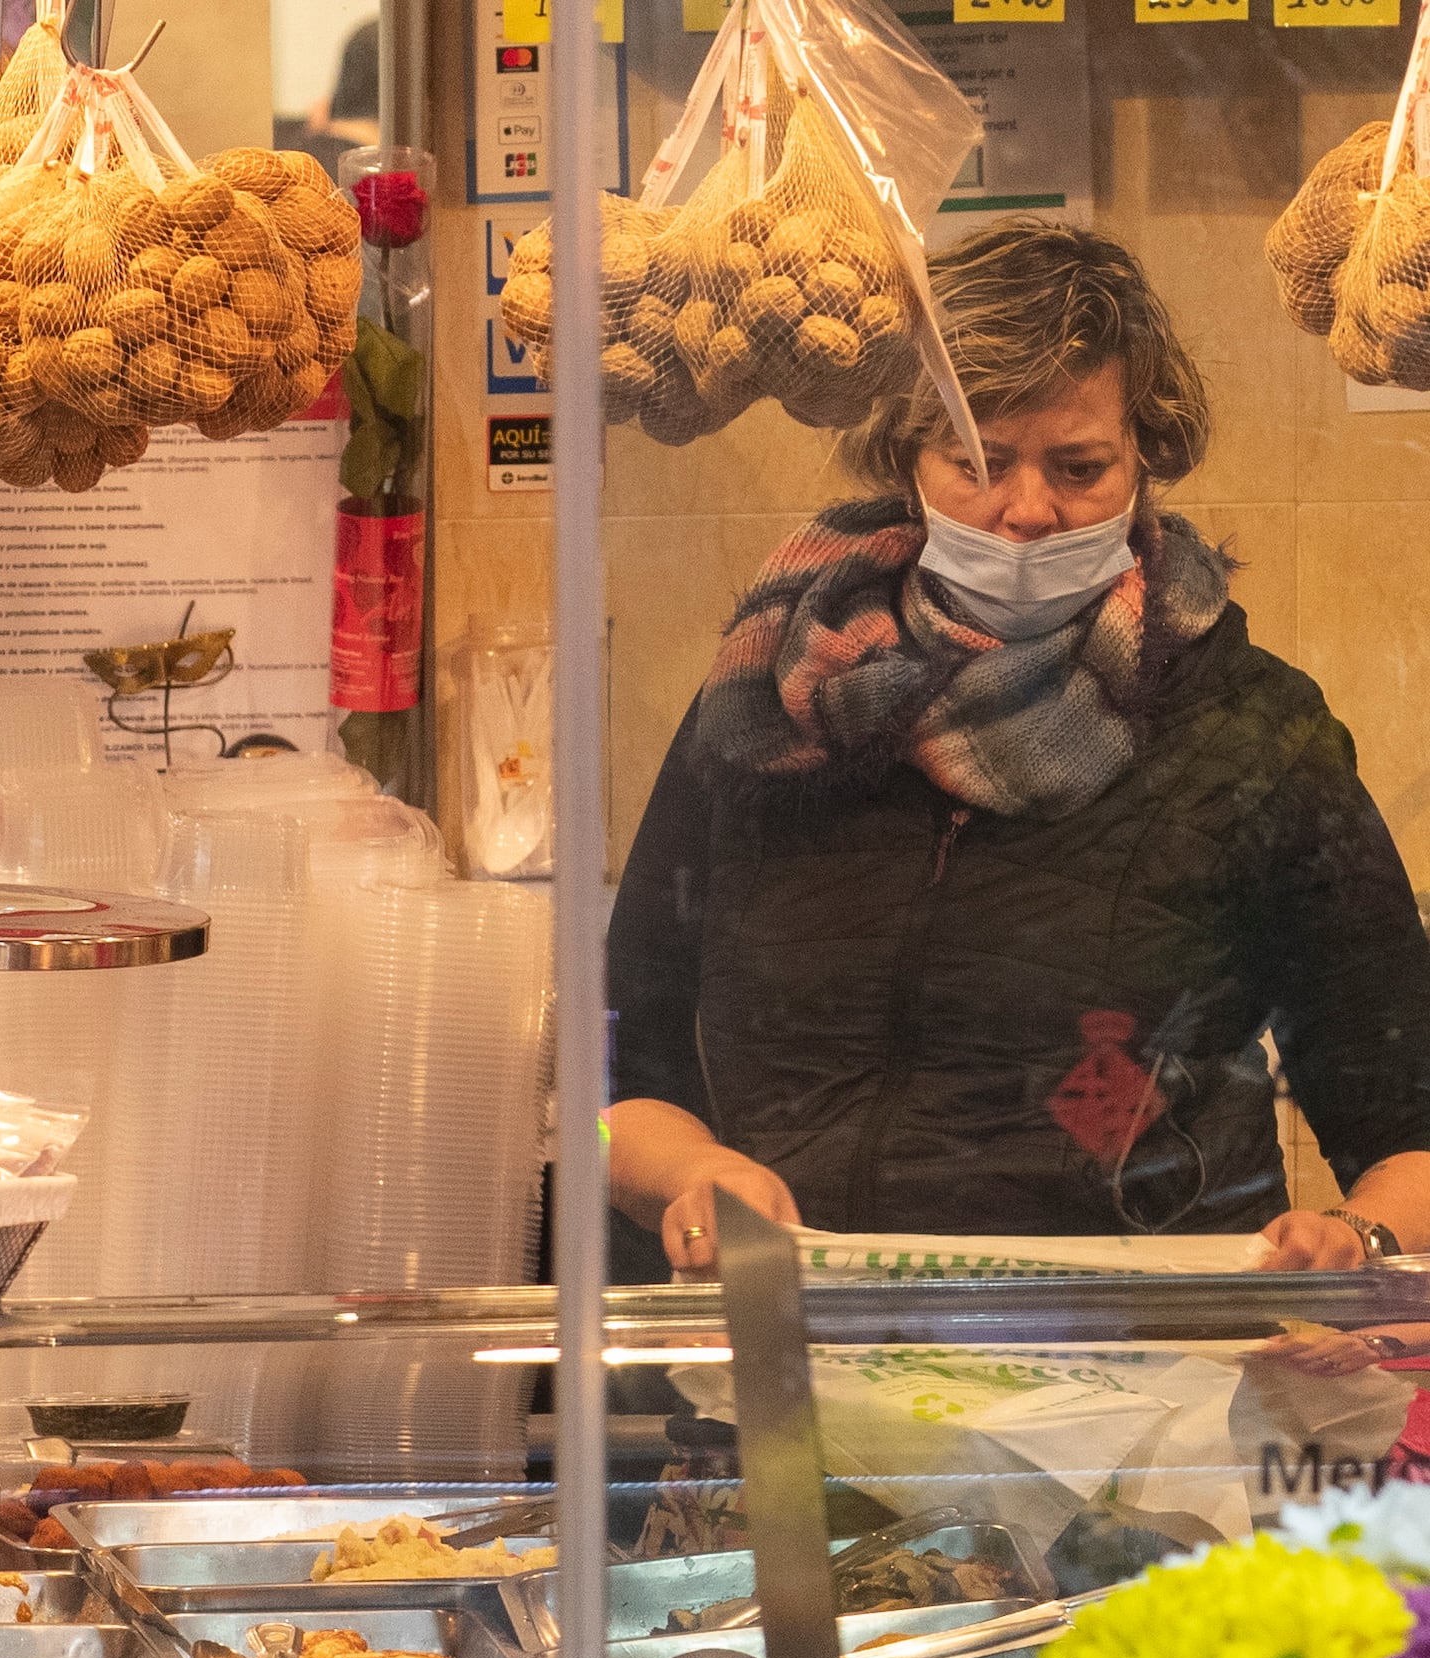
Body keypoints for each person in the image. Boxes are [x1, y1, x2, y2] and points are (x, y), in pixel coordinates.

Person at [607, 220, 1430, 1274]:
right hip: (786, 1380)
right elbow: (604, 1086)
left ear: (1146, 459)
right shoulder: (768, 704)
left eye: (1077, 467)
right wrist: (682, 1171)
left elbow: (1407, 1121)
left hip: (1143, 1391)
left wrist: (1356, 1239)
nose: (1025, 511)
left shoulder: (1251, 731)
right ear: (906, 458)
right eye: (977, 463)